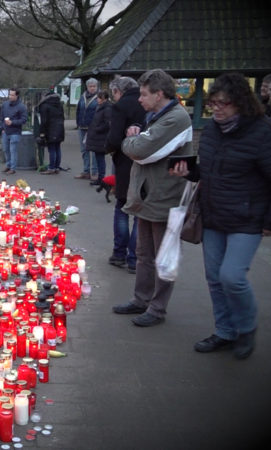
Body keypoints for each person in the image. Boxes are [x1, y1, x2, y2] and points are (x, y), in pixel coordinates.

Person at [170, 72, 271, 358]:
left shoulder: (267, 133)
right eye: (213, 103)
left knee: (232, 277)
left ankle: (246, 328)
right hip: (214, 215)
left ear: (241, 103)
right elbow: (210, 171)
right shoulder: (214, 129)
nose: (217, 109)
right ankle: (225, 332)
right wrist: (189, 171)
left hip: (248, 219)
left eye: (224, 104)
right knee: (214, 278)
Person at [111, 69, 194, 327]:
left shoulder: (176, 119)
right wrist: (138, 137)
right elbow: (144, 144)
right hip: (150, 195)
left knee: (163, 256)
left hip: (165, 198)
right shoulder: (157, 116)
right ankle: (141, 299)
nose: (139, 99)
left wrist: (132, 139)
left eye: (145, 94)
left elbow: (143, 151)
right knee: (144, 253)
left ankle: (157, 309)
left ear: (159, 94)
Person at [106, 76, 145, 274]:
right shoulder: (147, 103)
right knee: (139, 211)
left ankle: (119, 253)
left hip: (125, 162)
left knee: (122, 206)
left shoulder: (121, 106)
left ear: (118, 91)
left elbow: (113, 137)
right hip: (145, 163)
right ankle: (134, 259)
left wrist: (109, 148)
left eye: (114, 94)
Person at [85, 90, 112, 185]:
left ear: (103, 98)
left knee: (100, 159)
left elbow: (107, 123)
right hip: (98, 137)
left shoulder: (107, 108)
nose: (97, 100)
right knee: (98, 158)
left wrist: (97, 129)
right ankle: (101, 177)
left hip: (101, 137)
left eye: (98, 98)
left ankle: (101, 178)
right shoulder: (101, 107)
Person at [0, 88, 28, 174]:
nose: (10, 96)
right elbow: (1, 117)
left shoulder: (21, 106)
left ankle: (13, 168)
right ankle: (8, 165)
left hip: (15, 131)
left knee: (13, 150)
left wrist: (12, 122)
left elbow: (24, 120)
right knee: (6, 150)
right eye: (9, 94)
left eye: (12, 95)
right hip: (6, 131)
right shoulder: (5, 104)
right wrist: (2, 128)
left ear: (17, 96)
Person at [76, 78, 100, 180]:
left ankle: (94, 172)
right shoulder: (82, 97)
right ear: (87, 87)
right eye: (90, 86)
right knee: (84, 150)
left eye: (94, 86)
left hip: (93, 128)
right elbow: (78, 110)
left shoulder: (99, 98)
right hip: (82, 127)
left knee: (93, 151)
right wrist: (78, 123)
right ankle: (86, 171)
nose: (92, 88)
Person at [37, 90, 65, 175]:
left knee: (52, 149)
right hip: (60, 129)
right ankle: (56, 167)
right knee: (57, 148)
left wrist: (42, 133)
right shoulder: (59, 104)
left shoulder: (45, 106)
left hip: (50, 130)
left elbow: (44, 121)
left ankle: (51, 167)